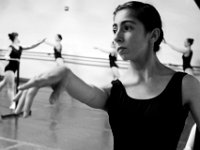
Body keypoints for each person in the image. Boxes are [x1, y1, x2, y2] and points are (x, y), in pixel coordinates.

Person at [12, 1, 200, 150]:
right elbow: (91, 93)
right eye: (114, 29)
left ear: (153, 35)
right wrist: (65, 74)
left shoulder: (185, 85)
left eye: (127, 28)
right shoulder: (115, 91)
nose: (116, 37)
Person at [0, 32, 45, 110]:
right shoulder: (11, 47)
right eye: (17, 37)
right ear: (14, 39)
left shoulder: (20, 47)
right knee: (11, 86)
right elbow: (6, 55)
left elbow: (31, 46)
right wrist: (7, 57)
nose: (18, 38)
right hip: (9, 68)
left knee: (4, 82)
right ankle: (13, 103)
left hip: (14, 68)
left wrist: (40, 42)